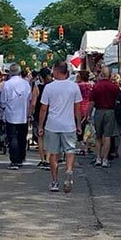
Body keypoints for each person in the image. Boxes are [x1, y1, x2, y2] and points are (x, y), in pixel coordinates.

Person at [38, 62, 82, 193]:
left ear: (56, 71)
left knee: (53, 153)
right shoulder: (74, 87)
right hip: (69, 124)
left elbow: (43, 108)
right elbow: (78, 108)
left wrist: (40, 125)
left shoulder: (49, 88)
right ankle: (68, 169)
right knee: (70, 150)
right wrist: (79, 124)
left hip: (52, 124)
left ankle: (55, 181)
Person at [0, 63, 34, 170]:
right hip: (23, 114)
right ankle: (21, 157)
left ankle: (14, 160)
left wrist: (4, 107)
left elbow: (3, 100)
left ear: (10, 72)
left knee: (12, 137)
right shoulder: (26, 84)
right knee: (22, 137)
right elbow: (29, 98)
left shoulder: (6, 84)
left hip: (11, 114)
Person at [89, 67, 120, 168]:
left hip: (99, 111)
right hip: (110, 112)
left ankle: (98, 157)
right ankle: (105, 159)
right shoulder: (114, 87)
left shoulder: (97, 86)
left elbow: (92, 102)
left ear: (101, 74)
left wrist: (88, 114)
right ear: (110, 75)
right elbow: (118, 101)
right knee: (107, 136)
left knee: (98, 136)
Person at [32, 68, 53, 169]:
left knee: (40, 136)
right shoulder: (53, 86)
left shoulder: (37, 87)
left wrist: (30, 113)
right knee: (49, 137)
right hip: (51, 113)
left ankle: (42, 159)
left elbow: (33, 102)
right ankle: (48, 158)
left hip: (39, 112)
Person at [76, 70, 95, 156]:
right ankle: (88, 146)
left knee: (80, 128)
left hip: (80, 108)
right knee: (88, 128)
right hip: (90, 108)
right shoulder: (92, 85)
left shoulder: (78, 86)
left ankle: (82, 147)